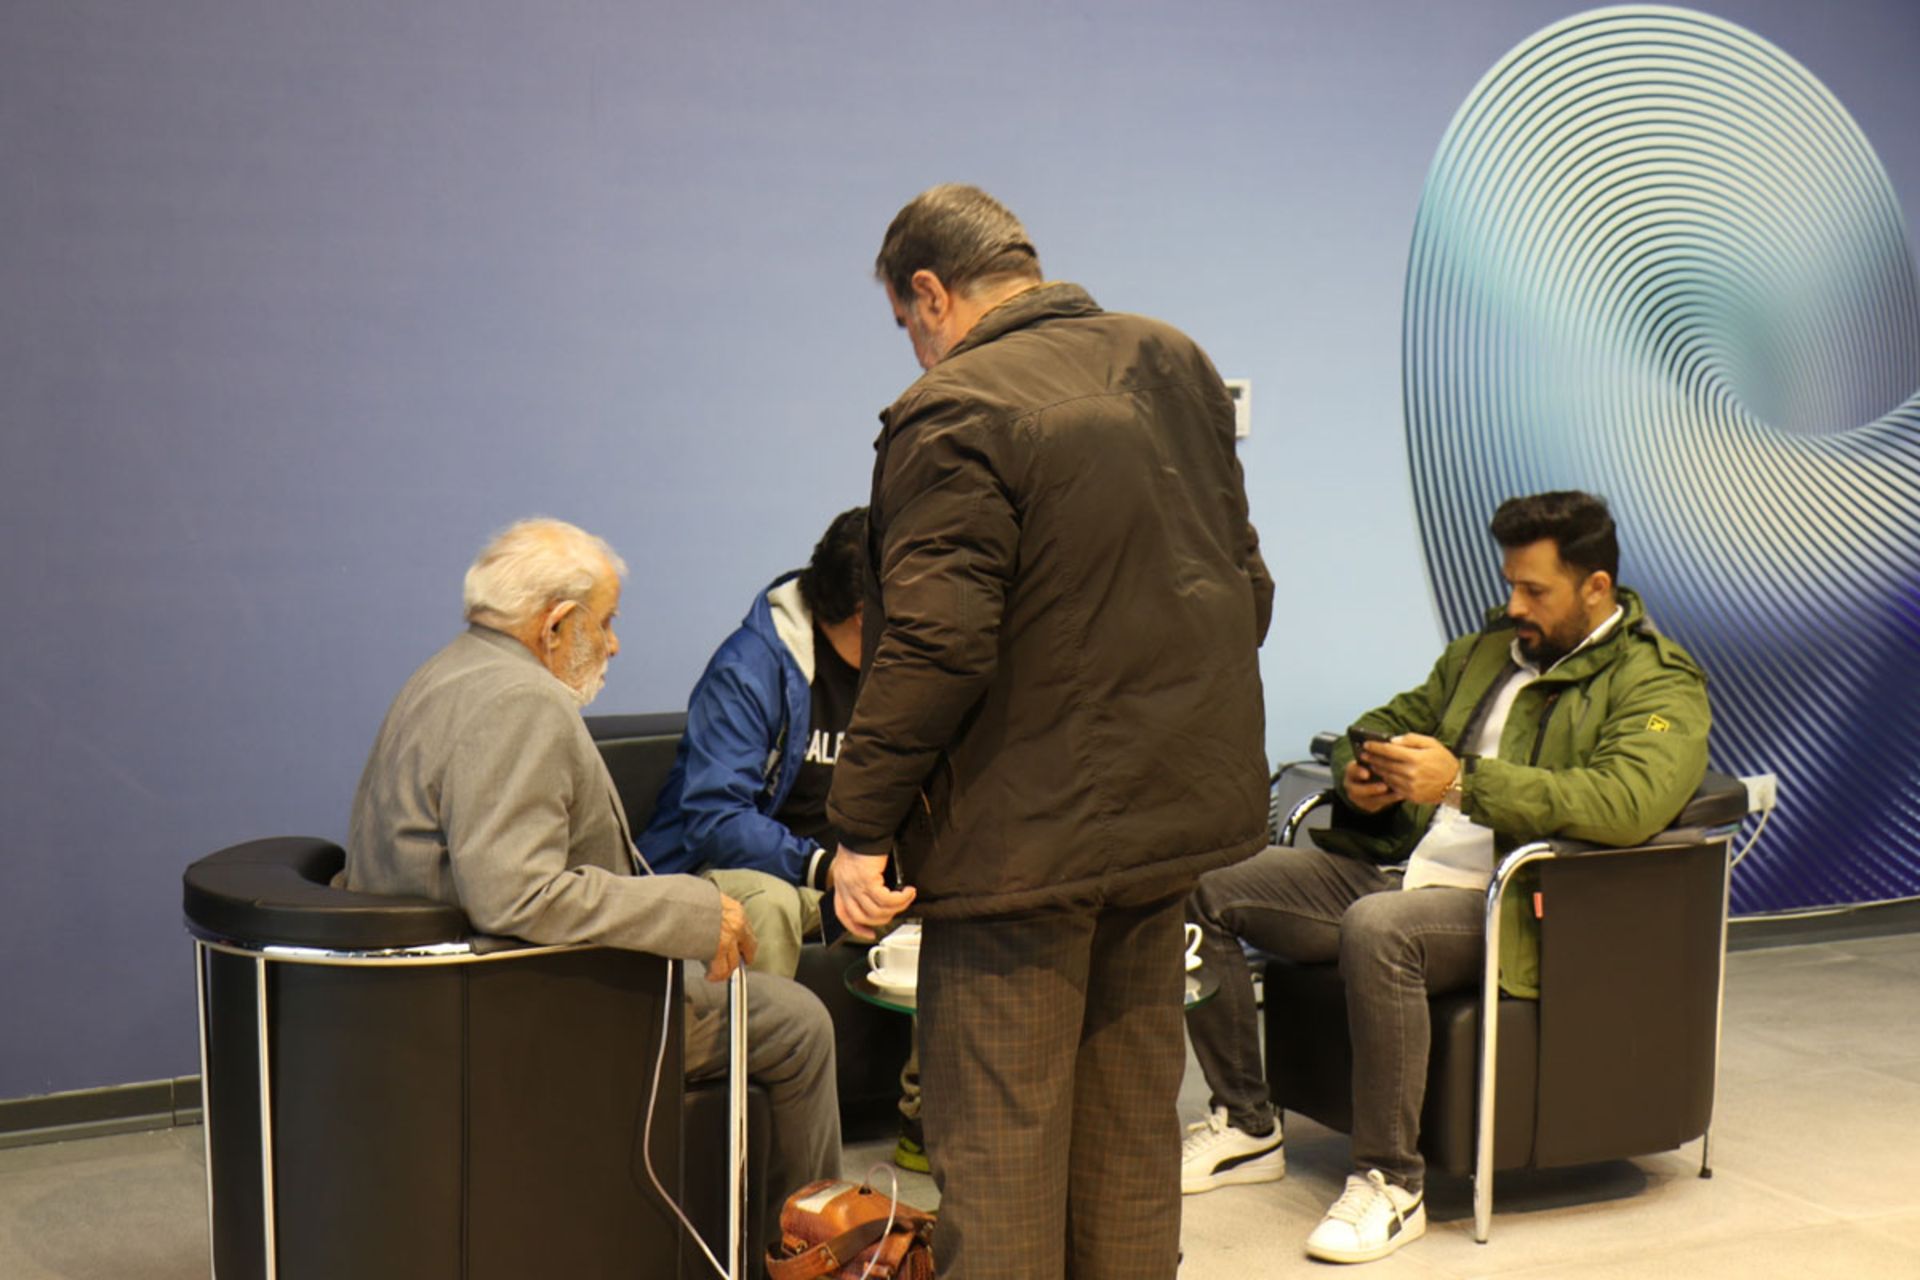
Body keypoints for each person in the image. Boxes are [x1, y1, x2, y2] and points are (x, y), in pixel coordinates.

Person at [827, 184, 1274, 1280]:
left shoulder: (954, 407)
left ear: (930, 291)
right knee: (1129, 1145)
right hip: (1164, 829)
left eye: (905, 322)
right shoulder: (1173, 362)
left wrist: (861, 826)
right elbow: (1245, 588)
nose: (914, 346)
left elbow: (937, 642)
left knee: (1003, 1162)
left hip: (1016, 852)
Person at [1179, 490, 1711, 1265]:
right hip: (1406, 870)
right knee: (1203, 883)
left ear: (1596, 587)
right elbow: (1383, 724)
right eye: (1510, 583)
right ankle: (1247, 1124)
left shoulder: (1656, 681)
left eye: (1535, 590)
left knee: (1380, 928)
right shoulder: (1484, 654)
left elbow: (1626, 801)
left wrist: (1462, 783)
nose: (1515, 604)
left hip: (1516, 904)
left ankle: (1392, 1183)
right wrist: (1364, 775)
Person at [342, 517, 841, 1228]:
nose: (613, 643)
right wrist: (694, 913)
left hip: (438, 1004)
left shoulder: (447, 671)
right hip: (524, 1009)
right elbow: (516, 894)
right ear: (556, 625)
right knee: (799, 1023)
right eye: (605, 623)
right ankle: (814, 1252)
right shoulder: (521, 702)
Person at [638, 506, 932, 1172]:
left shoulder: (901, 670)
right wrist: (829, 868)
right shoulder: (751, 666)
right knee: (765, 905)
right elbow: (716, 816)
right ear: (865, 611)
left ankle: (926, 1124)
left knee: (954, 903)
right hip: (740, 873)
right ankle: (750, 1135)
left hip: (848, 876)